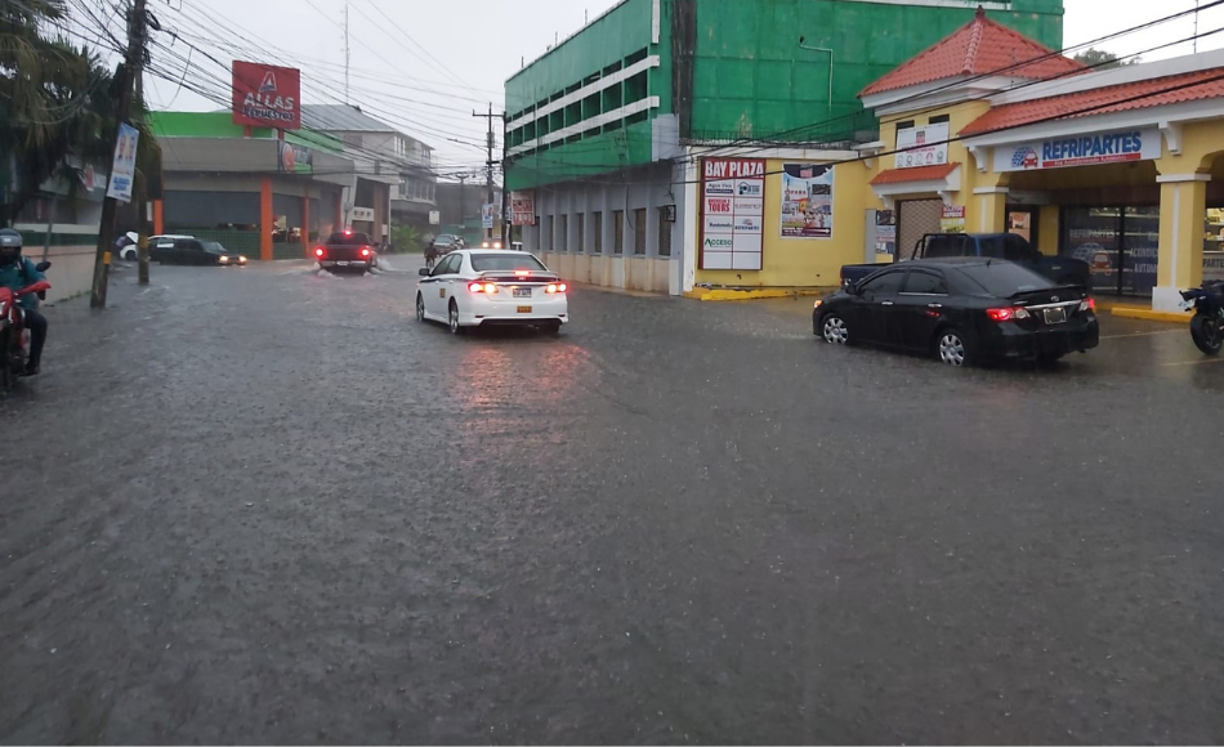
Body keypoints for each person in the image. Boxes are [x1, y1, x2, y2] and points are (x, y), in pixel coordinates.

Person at [0, 228, 50, 376]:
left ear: (18, 249)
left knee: (40, 322)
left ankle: (34, 363)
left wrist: (41, 282)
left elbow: (36, 274)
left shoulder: (22, 263)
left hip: (19, 306)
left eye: (11, 248)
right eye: (4, 248)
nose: (7, 252)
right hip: (0, 306)